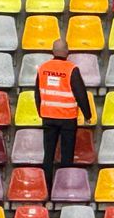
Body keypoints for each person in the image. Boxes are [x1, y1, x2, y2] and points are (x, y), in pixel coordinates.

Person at [34, 39, 94, 190]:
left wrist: (41, 112)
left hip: (48, 116)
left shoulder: (43, 68)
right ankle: (64, 188)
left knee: (48, 155)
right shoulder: (71, 69)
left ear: (52, 51)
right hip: (67, 118)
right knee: (67, 156)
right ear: (67, 51)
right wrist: (87, 115)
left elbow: (37, 93)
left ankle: (46, 188)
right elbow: (81, 94)